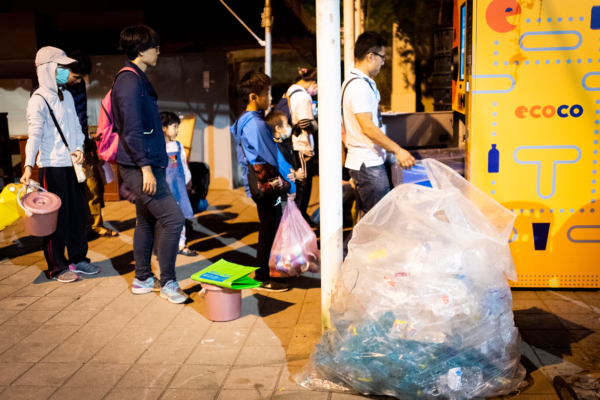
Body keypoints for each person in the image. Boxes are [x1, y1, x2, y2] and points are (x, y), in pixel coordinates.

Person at [112, 25, 187, 304]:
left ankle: (143, 279)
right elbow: (131, 129)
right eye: (154, 46)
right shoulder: (129, 81)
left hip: (145, 163)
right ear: (140, 50)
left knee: (146, 220)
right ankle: (167, 282)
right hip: (138, 166)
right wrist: (145, 167)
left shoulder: (135, 78)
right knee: (173, 219)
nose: (158, 51)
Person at [21, 46, 100, 282]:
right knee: (56, 219)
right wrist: (27, 166)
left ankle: (78, 260)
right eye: (62, 67)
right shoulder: (38, 99)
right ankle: (57, 267)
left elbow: (76, 127)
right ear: (49, 69)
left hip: (71, 165)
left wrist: (79, 149)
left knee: (77, 214)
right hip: (51, 166)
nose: (66, 71)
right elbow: (33, 134)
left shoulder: (65, 95)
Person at [230, 71, 296, 292]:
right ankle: (263, 277)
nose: (269, 98)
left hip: (257, 182)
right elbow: (271, 156)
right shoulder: (257, 125)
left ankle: (266, 271)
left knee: (268, 226)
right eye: (266, 93)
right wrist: (289, 181)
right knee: (269, 228)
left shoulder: (243, 121)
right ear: (253, 97)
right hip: (267, 183)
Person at [342, 31, 415, 217]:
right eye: (382, 57)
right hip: (368, 163)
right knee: (377, 222)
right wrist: (398, 150)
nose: (384, 62)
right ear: (370, 57)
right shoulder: (358, 86)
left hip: (368, 161)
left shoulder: (360, 82)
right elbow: (367, 127)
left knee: (371, 220)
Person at [65, 50, 119, 239]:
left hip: (82, 147)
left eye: (82, 78)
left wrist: (87, 139)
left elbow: (81, 118)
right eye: (76, 76)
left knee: (92, 187)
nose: (79, 81)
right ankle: (74, 230)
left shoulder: (78, 87)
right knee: (69, 192)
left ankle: (95, 226)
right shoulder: (50, 90)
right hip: (61, 151)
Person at [160, 111, 197, 257]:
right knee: (165, 220)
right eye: (174, 126)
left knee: (180, 217)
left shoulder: (179, 146)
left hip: (179, 188)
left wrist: (189, 183)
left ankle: (181, 244)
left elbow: (184, 166)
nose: (177, 130)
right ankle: (165, 246)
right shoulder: (158, 148)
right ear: (163, 128)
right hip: (164, 191)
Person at [286, 68, 318, 223]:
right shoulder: (304, 97)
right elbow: (305, 122)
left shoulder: (290, 91)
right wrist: (316, 126)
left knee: (299, 186)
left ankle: (299, 218)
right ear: (313, 82)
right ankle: (297, 221)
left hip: (292, 144)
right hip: (301, 146)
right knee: (303, 186)